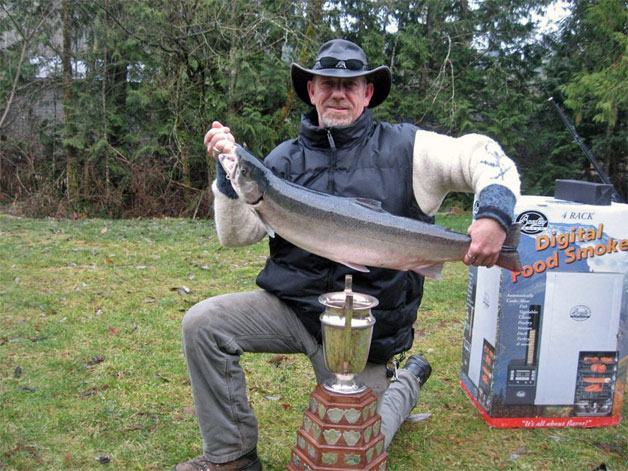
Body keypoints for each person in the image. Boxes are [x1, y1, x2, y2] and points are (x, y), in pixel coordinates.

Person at [175, 39, 520, 471]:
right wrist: (229, 172)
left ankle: (405, 383)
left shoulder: (410, 151)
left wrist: (494, 214)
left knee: (352, 452)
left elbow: (484, 154)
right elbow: (236, 234)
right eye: (327, 83)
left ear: (367, 93)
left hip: (366, 333)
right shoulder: (282, 159)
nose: (338, 92)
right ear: (312, 92)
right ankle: (231, 456)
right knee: (203, 324)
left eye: (349, 84)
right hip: (293, 308)